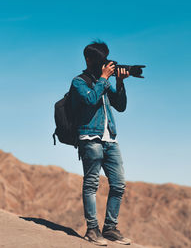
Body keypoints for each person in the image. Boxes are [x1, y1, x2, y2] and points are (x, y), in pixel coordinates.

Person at [70, 40, 131, 246]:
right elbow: (89, 100)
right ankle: (92, 230)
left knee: (119, 184)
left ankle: (110, 228)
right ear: (88, 59)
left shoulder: (102, 83)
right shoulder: (79, 81)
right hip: (90, 138)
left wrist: (120, 82)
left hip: (110, 139)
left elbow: (120, 106)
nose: (103, 63)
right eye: (99, 60)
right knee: (91, 184)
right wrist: (104, 79)